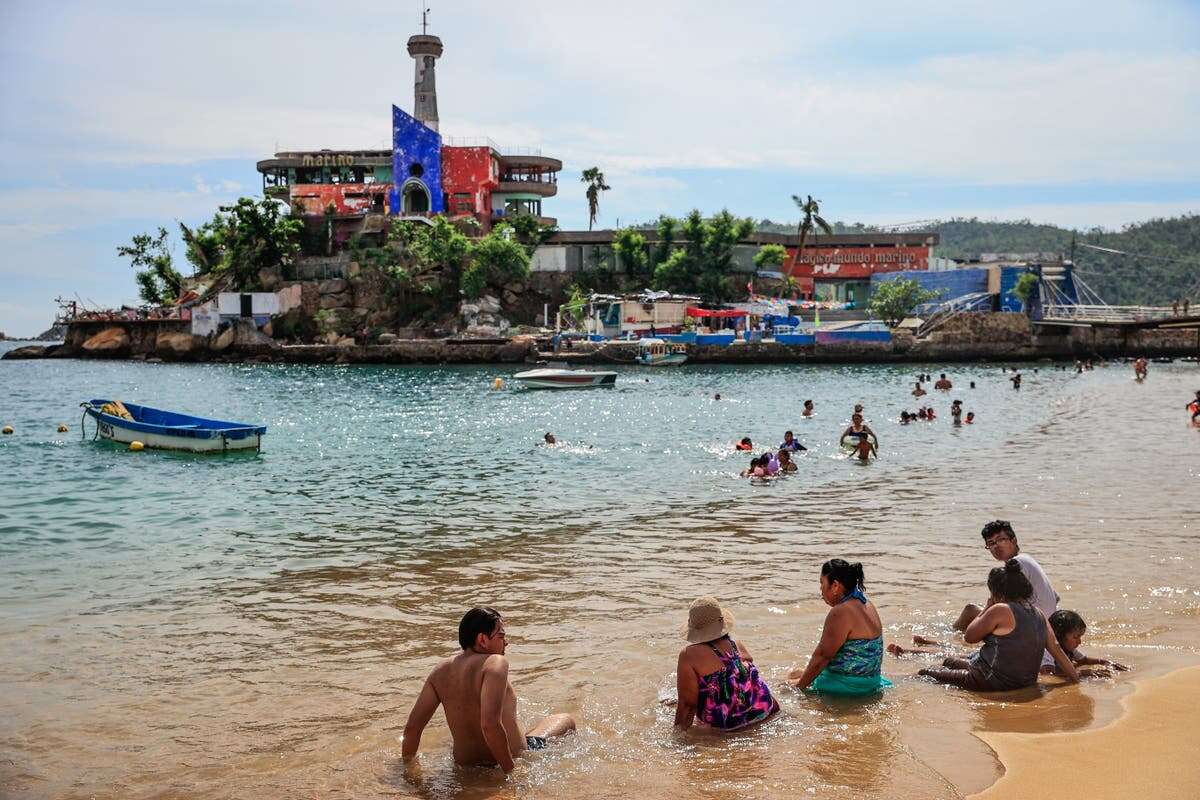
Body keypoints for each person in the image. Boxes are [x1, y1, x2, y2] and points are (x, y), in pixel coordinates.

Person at [402, 607, 576, 774]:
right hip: (504, 761)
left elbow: (412, 728)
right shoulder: (495, 663)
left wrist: (407, 771)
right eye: (501, 636)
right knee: (565, 720)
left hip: (465, 766)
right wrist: (510, 771)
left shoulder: (440, 670)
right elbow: (490, 724)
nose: (506, 642)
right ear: (482, 640)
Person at [916, 561, 1078, 690]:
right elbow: (1056, 649)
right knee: (950, 661)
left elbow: (970, 636)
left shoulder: (1001, 609)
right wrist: (1075, 678)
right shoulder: (1039, 614)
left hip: (989, 681)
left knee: (925, 673)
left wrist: (987, 607)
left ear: (998, 594)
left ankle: (905, 679)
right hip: (1025, 683)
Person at [674, 597, 780, 731]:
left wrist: (677, 738)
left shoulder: (688, 655)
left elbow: (688, 705)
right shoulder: (736, 644)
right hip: (765, 709)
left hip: (729, 724)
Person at [788, 560, 891, 695]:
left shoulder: (841, 611)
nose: (821, 590)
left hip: (851, 686)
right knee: (795, 672)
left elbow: (822, 657)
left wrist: (799, 688)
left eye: (822, 583)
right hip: (872, 681)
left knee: (785, 684)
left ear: (835, 585)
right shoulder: (867, 604)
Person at [1042, 610, 1129, 678]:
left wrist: (1106, 662)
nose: (1080, 642)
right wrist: (1083, 673)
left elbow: (1084, 660)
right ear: (1059, 636)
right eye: (1075, 637)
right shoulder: (1047, 652)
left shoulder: (1069, 649)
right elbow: (1048, 674)